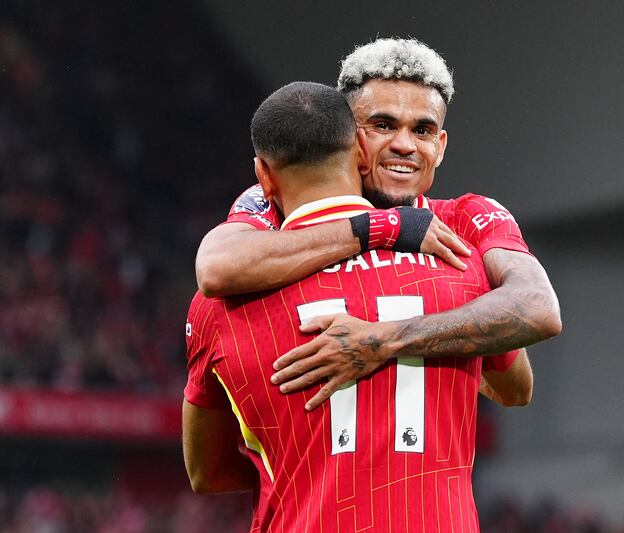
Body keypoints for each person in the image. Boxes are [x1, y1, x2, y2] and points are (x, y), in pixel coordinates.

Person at [183, 81, 528, 531]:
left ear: (263, 176)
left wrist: (308, 470)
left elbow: (206, 473)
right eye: (385, 125)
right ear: (361, 151)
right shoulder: (458, 261)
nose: (403, 144)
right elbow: (515, 388)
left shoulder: (218, 309)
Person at [195, 38, 561, 411]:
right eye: (383, 125)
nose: (405, 145)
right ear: (349, 137)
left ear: (441, 146)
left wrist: (387, 340)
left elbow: (534, 324)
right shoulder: (277, 203)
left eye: (423, 130)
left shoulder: (466, 220)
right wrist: (388, 227)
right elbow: (216, 267)